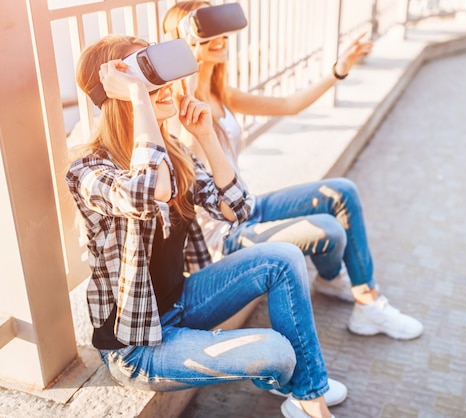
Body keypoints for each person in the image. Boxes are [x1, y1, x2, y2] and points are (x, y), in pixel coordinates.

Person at [66, 35, 340, 418]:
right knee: (277, 352)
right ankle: (295, 374)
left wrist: (207, 136)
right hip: (137, 347)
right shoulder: (89, 169)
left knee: (283, 258)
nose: (163, 89)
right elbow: (148, 191)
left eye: (160, 77)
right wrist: (139, 97)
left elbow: (238, 208)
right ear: (117, 93)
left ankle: (311, 399)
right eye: (146, 79)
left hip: (183, 304)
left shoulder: (175, 154)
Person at [162, 2, 424, 343]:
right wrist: (187, 59)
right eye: (206, 31)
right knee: (330, 231)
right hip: (224, 234)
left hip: (248, 208)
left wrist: (338, 70)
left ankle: (362, 300)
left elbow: (288, 105)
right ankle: (345, 288)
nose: (220, 38)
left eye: (221, 29)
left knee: (341, 192)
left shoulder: (219, 94)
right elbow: (183, 153)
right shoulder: (182, 107)